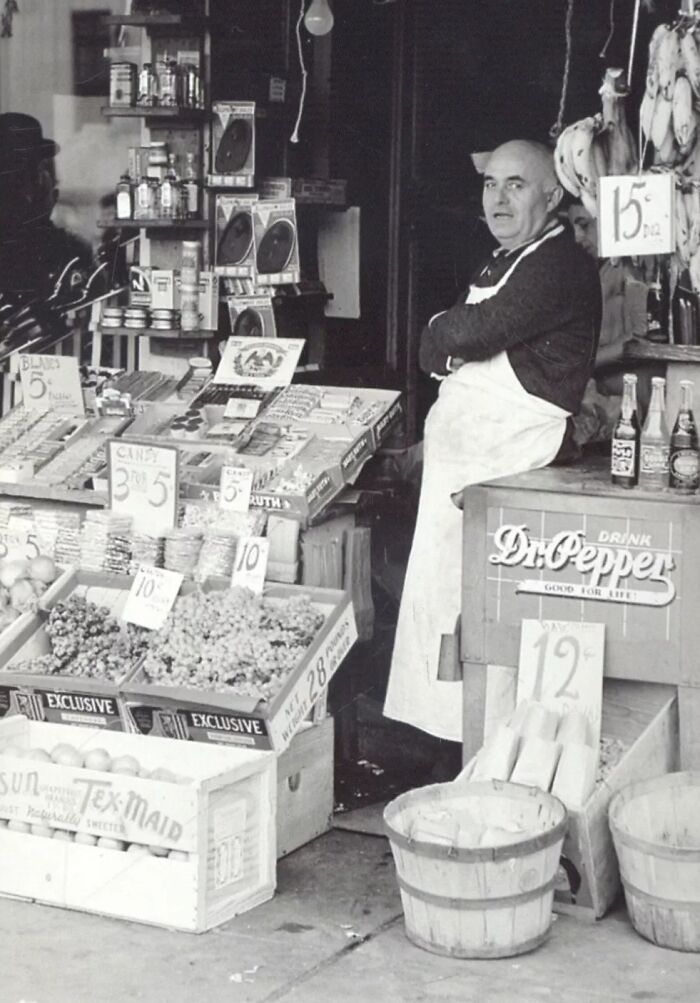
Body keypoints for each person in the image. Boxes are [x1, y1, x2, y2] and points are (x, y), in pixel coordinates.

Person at [383, 139, 601, 750]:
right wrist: (448, 336)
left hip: (508, 468)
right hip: (465, 474)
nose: (499, 199)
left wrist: (449, 334)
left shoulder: (558, 266)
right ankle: (442, 742)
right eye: (490, 185)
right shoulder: (503, 261)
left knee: (486, 618)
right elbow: (432, 344)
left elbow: (473, 330)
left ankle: (480, 751)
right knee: (441, 605)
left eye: (517, 185)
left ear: (553, 195)